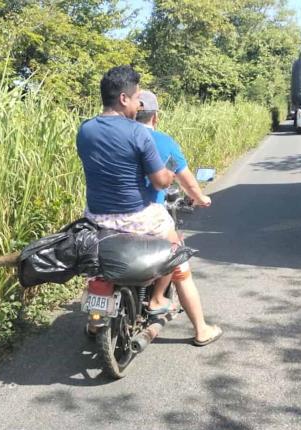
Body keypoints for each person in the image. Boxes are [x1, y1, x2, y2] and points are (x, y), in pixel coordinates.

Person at [76, 65, 222, 347]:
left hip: (96, 218)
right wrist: (167, 173)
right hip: (138, 217)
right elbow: (159, 183)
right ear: (123, 99)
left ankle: (96, 319)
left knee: (97, 267)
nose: (138, 104)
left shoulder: (85, 130)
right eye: (136, 98)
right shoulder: (138, 133)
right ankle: (195, 325)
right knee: (177, 253)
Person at [136, 89, 222, 347]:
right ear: (155, 117)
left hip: (108, 218)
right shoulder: (162, 143)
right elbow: (186, 182)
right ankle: (199, 328)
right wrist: (201, 198)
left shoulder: (115, 139)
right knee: (177, 258)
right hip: (149, 218)